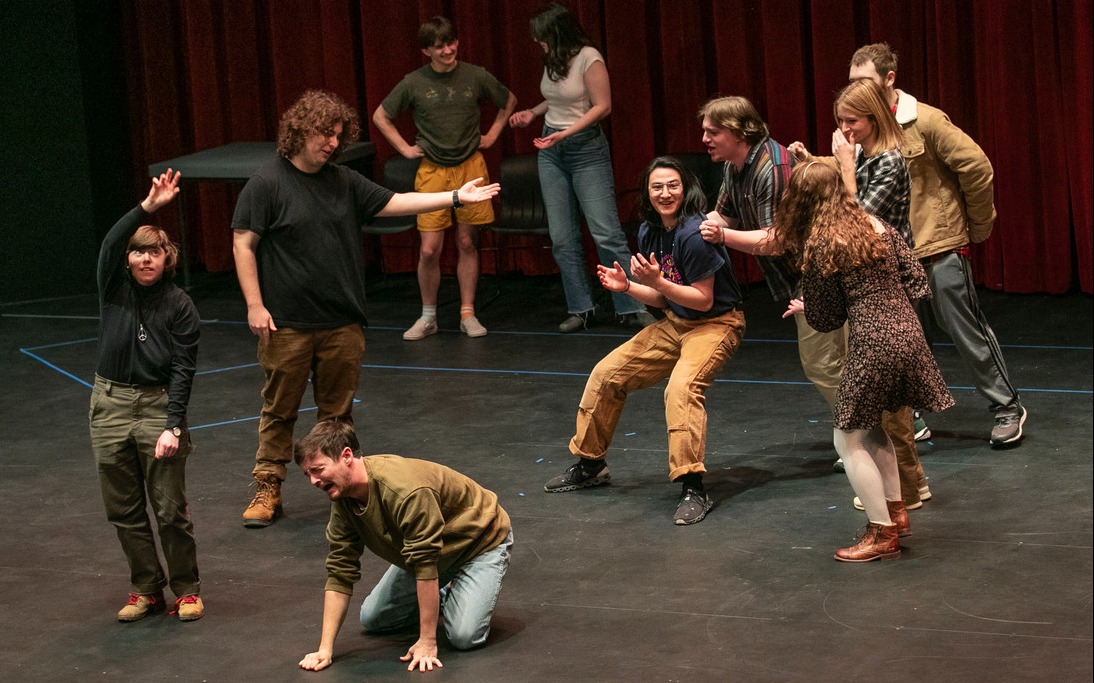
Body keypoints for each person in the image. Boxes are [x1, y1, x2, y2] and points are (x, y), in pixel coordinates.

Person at [233, 90, 499, 528]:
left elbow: (394, 202)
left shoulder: (343, 180)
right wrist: (254, 304)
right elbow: (244, 243)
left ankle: (342, 488)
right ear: (299, 132)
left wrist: (454, 197)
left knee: (337, 415)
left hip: (342, 320)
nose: (332, 144)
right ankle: (268, 487)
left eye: (338, 136)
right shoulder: (267, 183)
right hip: (287, 323)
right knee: (280, 409)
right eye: (324, 135)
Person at [544, 157, 746, 525]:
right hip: (676, 322)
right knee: (607, 374)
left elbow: (702, 299)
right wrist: (630, 287)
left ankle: (693, 485)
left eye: (672, 185)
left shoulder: (694, 233)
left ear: (686, 189)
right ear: (647, 193)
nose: (665, 193)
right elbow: (664, 297)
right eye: (657, 187)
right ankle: (591, 465)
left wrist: (657, 284)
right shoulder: (649, 232)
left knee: (681, 390)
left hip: (717, 324)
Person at [849, 42, 1026, 447]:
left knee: (963, 329)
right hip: (894, 253)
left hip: (939, 243)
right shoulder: (863, 127)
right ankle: (912, 416)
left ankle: (1006, 407)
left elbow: (976, 165)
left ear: (889, 78)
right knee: (905, 338)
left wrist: (978, 224)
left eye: (865, 81)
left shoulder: (924, 120)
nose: (858, 90)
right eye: (852, 83)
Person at [775, 162, 953, 562]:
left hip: (873, 341)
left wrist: (807, 308)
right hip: (909, 333)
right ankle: (896, 513)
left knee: (847, 438)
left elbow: (827, 319)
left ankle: (881, 533)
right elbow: (917, 281)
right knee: (872, 429)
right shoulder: (876, 225)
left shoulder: (822, 243)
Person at [786, 80, 928, 504]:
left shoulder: (889, 162)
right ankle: (898, 490)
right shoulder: (865, 154)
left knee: (891, 407)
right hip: (860, 291)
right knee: (875, 400)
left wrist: (844, 167)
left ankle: (908, 486)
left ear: (875, 117)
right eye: (840, 122)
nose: (845, 130)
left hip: (882, 291)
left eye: (852, 121)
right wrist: (812, 160)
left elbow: (858, 222)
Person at [294, 420, 513, 673]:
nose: (313, 481)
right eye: (307, 474)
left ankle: (458, 585)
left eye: (318, 470)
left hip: (479, 542)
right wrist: (325, 649)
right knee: (374, 618)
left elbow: (425, 563)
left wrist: (427, 641)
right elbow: (340, 570)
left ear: (346, 456)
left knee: (464, 636)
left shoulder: (404, 490)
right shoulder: (344, 500)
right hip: (432, 552)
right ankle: (443, 591)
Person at [90, 169, 204, 621]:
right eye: (137, 251)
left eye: (153, 251)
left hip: (157, 406)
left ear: (166, 259)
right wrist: (148, 208)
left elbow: (183, 368)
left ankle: (187, 590)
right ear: (128, 259)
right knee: (123, 509)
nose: (144, 259)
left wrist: (173, 423)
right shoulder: (112, 289)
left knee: (170, 508)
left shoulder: (179, 304)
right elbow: (108, 244)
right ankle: (145, 588)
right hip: (109, 404)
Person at [508, 2, 654, 333]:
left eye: (541, 38)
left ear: (556, 34)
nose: (537, 44)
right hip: (551, 150)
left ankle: (631, 305)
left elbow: (602, 106)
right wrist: (533, 113)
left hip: (585, 148)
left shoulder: (589, 57)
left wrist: (566, 133)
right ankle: (581, 308)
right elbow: (559, 100)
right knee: (562, 237)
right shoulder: (553, 59)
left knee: (605, 231)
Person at [372, 16, 517, 341]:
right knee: (428, 250)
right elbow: (380, 116)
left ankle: (467, 312)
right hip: (433, 171)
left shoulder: (475, 75)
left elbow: (508, 100)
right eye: (440, 47)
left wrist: (492, 134)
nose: (448, 50)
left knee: (467, 242)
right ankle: (428, 316)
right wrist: (405, 149)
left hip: (470, 167)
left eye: (451, 43)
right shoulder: (413, 82)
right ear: (427, 51)